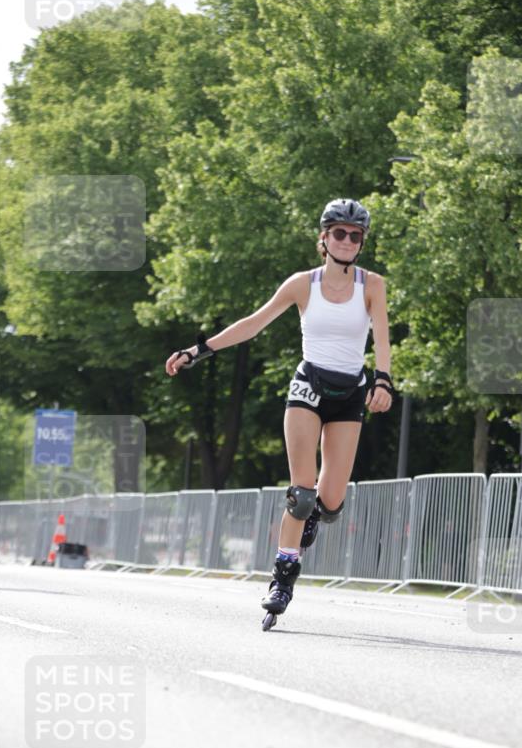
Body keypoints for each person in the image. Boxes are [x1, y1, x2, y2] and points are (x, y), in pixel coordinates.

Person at [165, 198, 393, 618]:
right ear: (323, 239)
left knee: (330, 505)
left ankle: (309, 522)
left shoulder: (372, 285)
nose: (346, 240)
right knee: (302, 493)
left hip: (349, 394)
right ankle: (282, 579)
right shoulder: (301, 284)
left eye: (354, 235)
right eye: (338, 233)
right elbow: (254, 322)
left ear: (361, 242)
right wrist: (199, 350)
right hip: (308, 387)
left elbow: (381, 338)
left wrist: (383, 379)